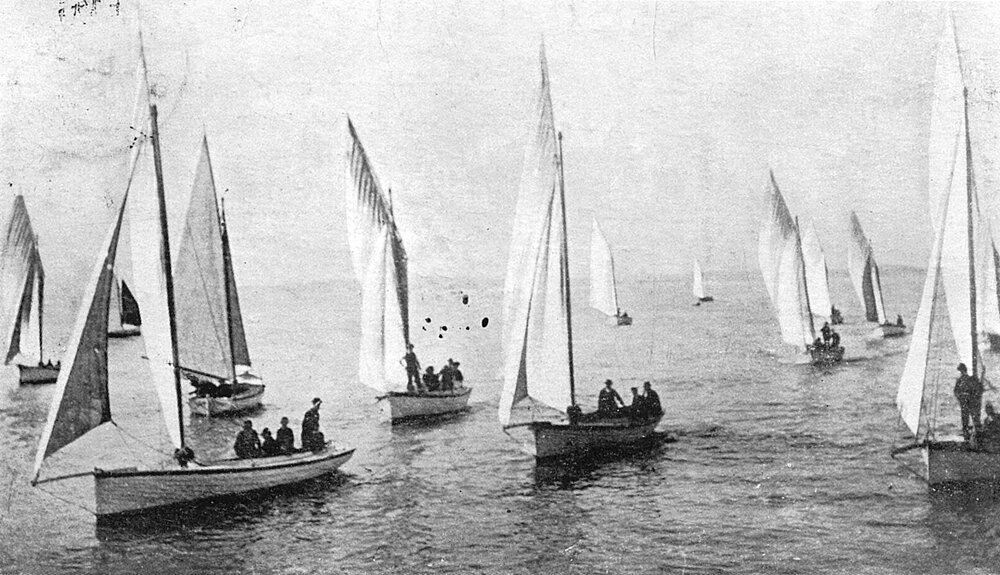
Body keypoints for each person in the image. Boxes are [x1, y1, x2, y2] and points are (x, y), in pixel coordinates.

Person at [954, 363, 984, 443]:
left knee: (973, 418)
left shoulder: (970, 379)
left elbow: (979, 390)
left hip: (971, 401)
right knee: (966, 419)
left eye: (961, 371)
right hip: (965, 402)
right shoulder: (960, 380)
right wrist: (961, 397)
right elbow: (956, 391)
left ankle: (977, 436)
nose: (961, 372)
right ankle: (967, 437)